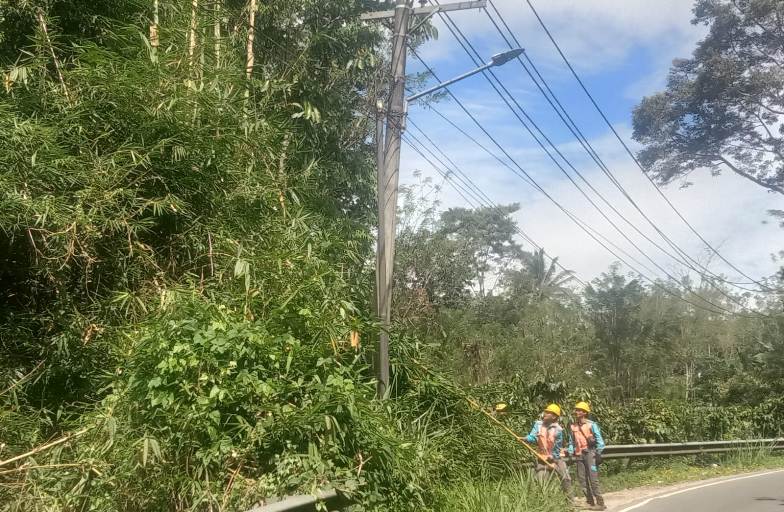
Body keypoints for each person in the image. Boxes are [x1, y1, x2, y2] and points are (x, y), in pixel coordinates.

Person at [526, 403, 574, 501]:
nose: (545, 414)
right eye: (545, 412)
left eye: (548, 413)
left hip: (556, 457)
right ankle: (544, 504)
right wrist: (525, 439)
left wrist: (553, 457)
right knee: (540, 482)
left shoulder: (558, 429)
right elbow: (533, 437)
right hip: (542, 457)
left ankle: (570, 503)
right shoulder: (538, 425)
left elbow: (557, 446)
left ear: (554, 416)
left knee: (565, 478)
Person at [568, 401, 606, 511]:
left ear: (585, 412)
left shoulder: (591, 425)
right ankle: (590, 501)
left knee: (593, 479)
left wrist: (597, 453)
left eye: (579, 410)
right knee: (582, 479)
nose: (576, 412)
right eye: (576, 410)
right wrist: (571, 451)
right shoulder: (573, 426)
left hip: (590, 454)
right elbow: (571, 441)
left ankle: (600, 502)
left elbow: (600, 441)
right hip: (579, 455)